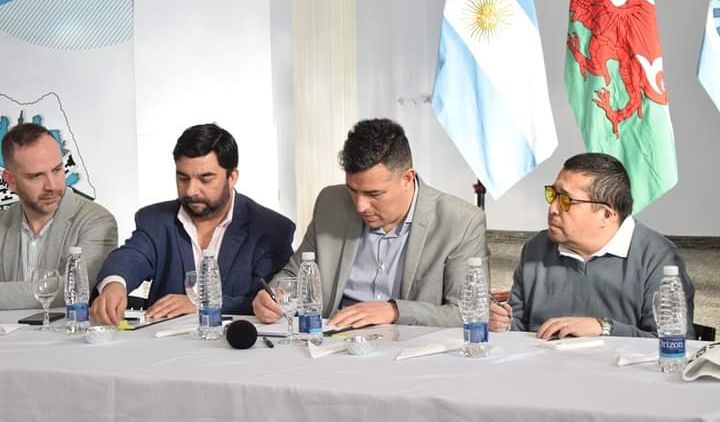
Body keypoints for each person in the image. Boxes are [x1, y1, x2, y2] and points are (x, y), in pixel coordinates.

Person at [253, 118, 489, 328]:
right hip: (330, 342)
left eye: (374, 194)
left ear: (407, 179)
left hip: (410, 349)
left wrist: (394, 311)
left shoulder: (461, 222)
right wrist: (273, 296)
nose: (360, 206)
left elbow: (467, 312)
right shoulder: (330, 203)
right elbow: (294, 274)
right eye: (352, 190)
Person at [90, 123, 294, 325]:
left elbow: (267, 302)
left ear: (232, 177)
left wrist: (203, 304)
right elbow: (131, 256)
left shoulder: (270, 229)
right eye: (183, 178)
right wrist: (114, 285)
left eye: (205, 179)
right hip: (162, 342)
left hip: (238, 341)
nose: (190, 191)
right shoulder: (155, 220)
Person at [490, 153, 695, 339]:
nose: (552, 208)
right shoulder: (536, 248)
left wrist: (603, 328)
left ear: (606, 215)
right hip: (543, 365)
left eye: (565, 200)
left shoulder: (657, 257)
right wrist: (502, 325)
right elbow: (518, 328)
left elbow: (676, 342)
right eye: (553, 195)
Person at [0, 123, 118, 309]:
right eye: (36, 176)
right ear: (11, 181)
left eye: (57, 170)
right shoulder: (2, 223)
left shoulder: (97, 221)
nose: (52, 186)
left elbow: (73, 289)